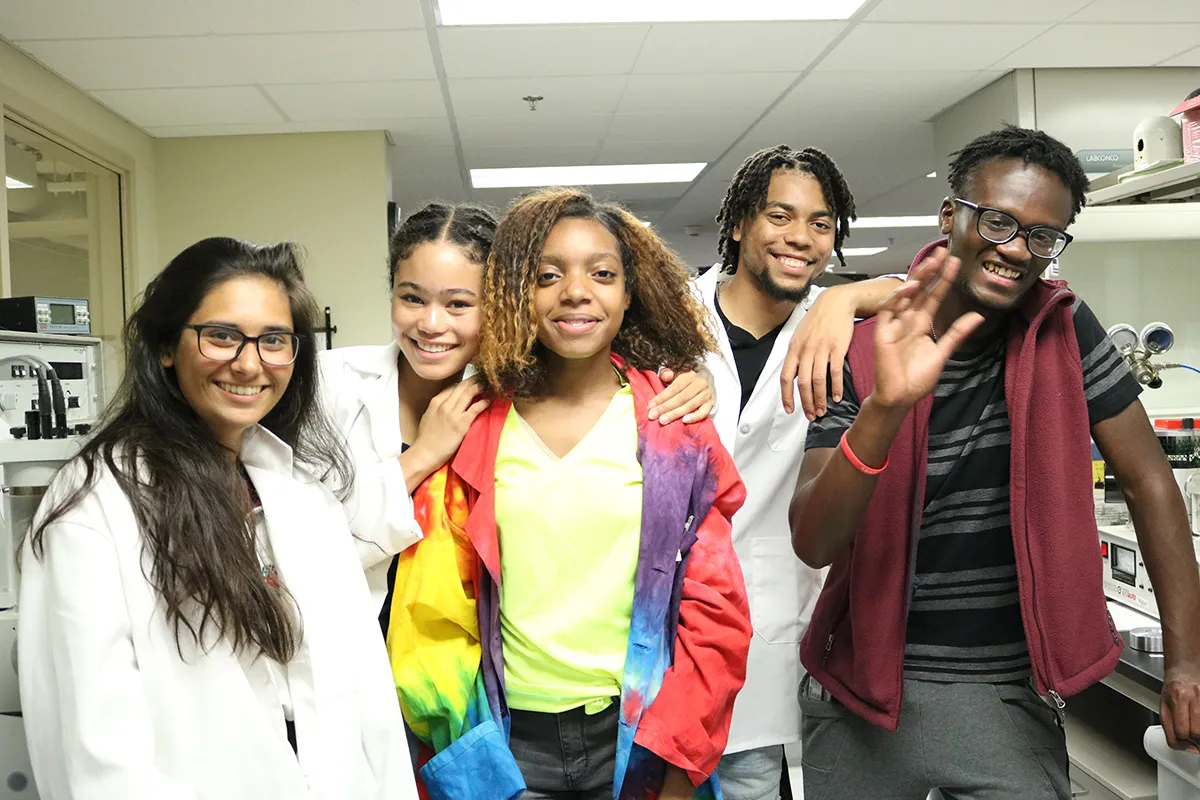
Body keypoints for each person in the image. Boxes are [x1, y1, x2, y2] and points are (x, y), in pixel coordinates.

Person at [789, 126, 1200, 799]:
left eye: (1043, 235)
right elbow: (813, 538)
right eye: (999, 221)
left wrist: (1187, 663)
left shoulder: (1066, 329)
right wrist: (885, 408)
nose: (1016, 249)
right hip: (861, 691)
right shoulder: (863, 345)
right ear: (951, 215)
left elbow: (1149, 479)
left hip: (1005, 695)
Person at [18, 238, 417, 800]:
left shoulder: (300, 491)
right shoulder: (96, 502)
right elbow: (95, 746)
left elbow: (365, 696)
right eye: (222, 336)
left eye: (274, 340)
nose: (250, 363)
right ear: (164, 346)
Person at [387, 188, 752, 800]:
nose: (575, 291)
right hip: (506, 743)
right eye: (547, 275)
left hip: (639, 738)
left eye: (602, 273)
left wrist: (677, 770)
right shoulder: (474, 426)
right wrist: (477, 771)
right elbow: (432, 620)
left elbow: (716, 612)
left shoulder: (673, 427)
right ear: (517, 294)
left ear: (628, 292)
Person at [319, 202, 718, 628]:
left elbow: (600, 349)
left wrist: (698, 376)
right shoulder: (328, 383)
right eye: (412, 298)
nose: (431, 324)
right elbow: (302, 549)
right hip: (343, 641)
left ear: (500, 304)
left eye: (459, 304)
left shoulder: (519, 397)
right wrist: (421, 456)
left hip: (467, 661)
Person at [701, 144, 906, 800]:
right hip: (661, 615)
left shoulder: (838, 327)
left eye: (821, 224)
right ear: (737, 224)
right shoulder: (670, 318)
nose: (801, 238)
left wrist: (846, 299)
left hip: (774, 610)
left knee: (755, 779)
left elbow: (944, 292)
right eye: (780, 216)